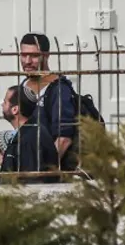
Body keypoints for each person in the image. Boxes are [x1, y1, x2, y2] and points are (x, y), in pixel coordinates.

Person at [18, 32, 81, 171]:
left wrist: (45, 171)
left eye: (34, 56)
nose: (27, 61)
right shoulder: (24, 85)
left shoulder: (59, 89)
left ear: (46, 56)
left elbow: (64, 138)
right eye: (23, 55)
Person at [0, 84, 60, 184]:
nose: (2, 105)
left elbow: (31, 182)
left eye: (5, 102)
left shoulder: (29, 138)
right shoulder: (29, 132)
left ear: (15, 109)